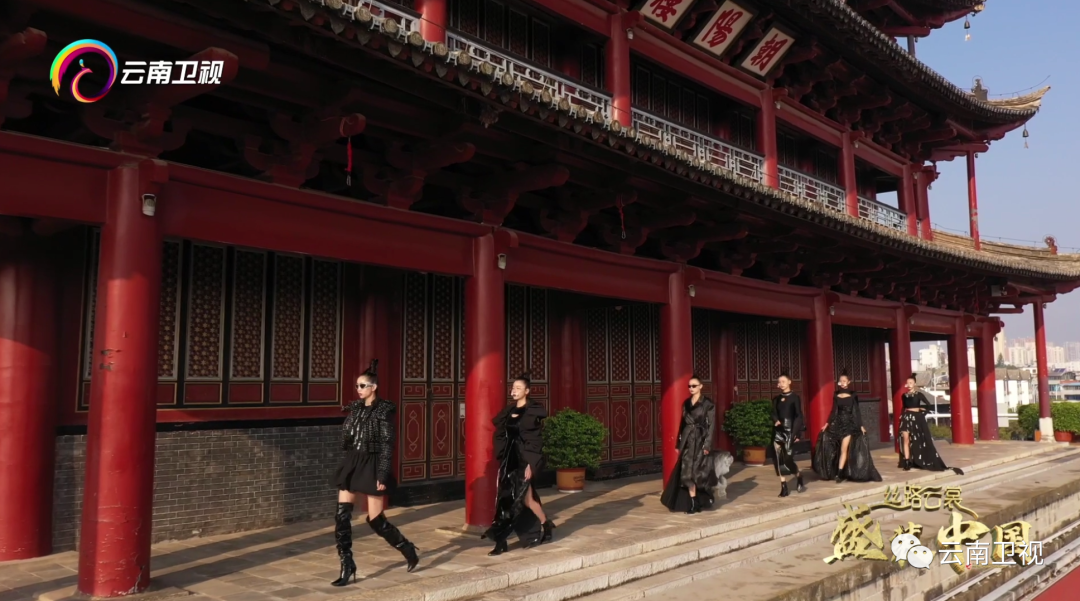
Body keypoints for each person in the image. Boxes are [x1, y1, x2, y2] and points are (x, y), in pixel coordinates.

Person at [330, 360, 419, 586]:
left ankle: (407, 548)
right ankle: (347, 564)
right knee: (341, 516)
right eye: (357, 386)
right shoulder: (355, 409)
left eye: (362, 386)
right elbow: (348, 437)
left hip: (373, 463)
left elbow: (388, 444)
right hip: (353, 461)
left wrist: (382, 474)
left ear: (373, 387)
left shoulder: (384, 410)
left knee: (376, 519)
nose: (358, 389)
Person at [482, 374, 555, 556]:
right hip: (509, 460)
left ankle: (546, 525)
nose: (514, 391)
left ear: (527, 391)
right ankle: (500, 542)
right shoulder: (509, 411)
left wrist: (531, 464)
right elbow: (502, 435)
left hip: (524, 460)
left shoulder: (532, 412)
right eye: (513, 388)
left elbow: (534, 441)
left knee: (527, 500)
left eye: (518, 388)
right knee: (503, 499)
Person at [661, 376, 720, 514]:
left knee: (699, 474)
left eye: (694, 386)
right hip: (688, 441)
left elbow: (711, 426)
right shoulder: (686, 403)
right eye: (689, 386)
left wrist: (707, 445)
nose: (691, 388)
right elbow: (682, 424)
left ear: (701, 386)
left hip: (701, 441)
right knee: (686, 475)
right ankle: (693, 503)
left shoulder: (708, 404)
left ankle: (702, 499)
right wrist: (678, 443)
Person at [813, 372, 882, 483]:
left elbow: (856, 411)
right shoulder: (836, 394)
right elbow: (833, 411)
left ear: (849, 382)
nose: (842, 383)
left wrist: (861, 425)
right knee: (833, 447)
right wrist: (827, 424)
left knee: (843, 449)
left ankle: (839, 473)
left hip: (849, 424)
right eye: (841, 381)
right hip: (837, 423)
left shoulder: (853, 394)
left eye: (845, 381)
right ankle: (835, 470)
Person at [898, 375, 964, 475]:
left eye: (911, 382)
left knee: (917, 440)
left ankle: (918, 459)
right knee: (905, 440)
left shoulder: (919, 394)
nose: (909, 384)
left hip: (916, 418)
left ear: (915, 384)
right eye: (908, 383)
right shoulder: (904, 395)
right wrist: (902, 416)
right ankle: (907, 461)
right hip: (906, 418)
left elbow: (928, 405)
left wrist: (921, 411)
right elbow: (903, 407)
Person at [771, 374, 807, 497]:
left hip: (790, 430)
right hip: (778, 431)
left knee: (788, 459)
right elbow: (773, 413)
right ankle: (784, 487)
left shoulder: (794, 398)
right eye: (779, 382)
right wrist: (776, 420)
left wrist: (796, 433)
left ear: (789, 382)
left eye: (783, 381)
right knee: (779, 459)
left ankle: (798, 475)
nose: (781, 384)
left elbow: (799, 416)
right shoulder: (776, 399)